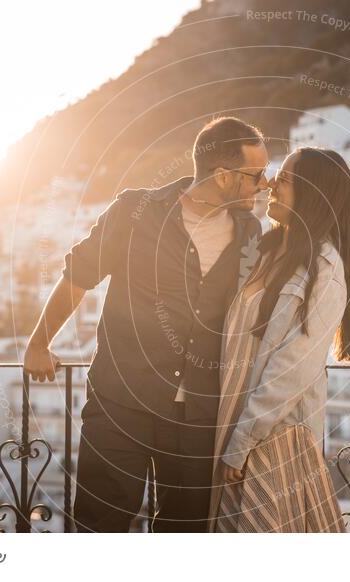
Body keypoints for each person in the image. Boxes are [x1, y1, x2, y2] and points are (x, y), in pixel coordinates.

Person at [23, 117, 266, 532]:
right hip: (121, 403)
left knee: (184, 533)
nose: (263, 184)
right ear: (223, 175)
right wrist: (38, 343)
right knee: (101, 526)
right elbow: (78, 276)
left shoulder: (250, 232)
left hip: (200, 416)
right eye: (256, 175)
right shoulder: (135, 213)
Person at [208, 147, 350, 533]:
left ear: (312, 194)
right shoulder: (266, 249)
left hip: (274, 438)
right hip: (236, 422)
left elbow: (291, 368)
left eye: (286, 179)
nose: (272, 184)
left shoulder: (325, 270)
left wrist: (242, 440)